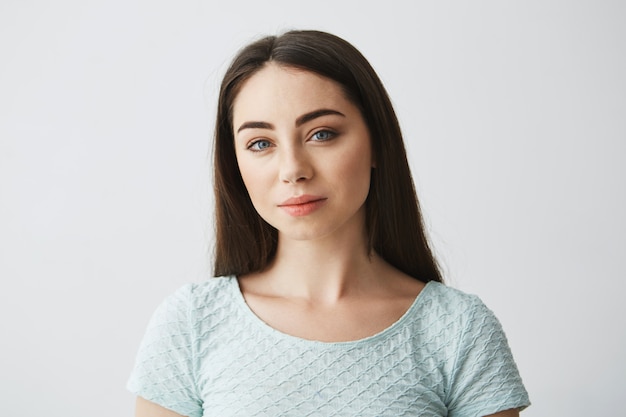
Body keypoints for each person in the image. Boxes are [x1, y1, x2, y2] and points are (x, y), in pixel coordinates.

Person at [127, 30, 530, 417]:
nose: (293, 170)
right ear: (235, 164)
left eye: (321, 134)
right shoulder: (192, 323)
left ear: (377, 143)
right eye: (261, 144)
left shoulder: (459, 331)